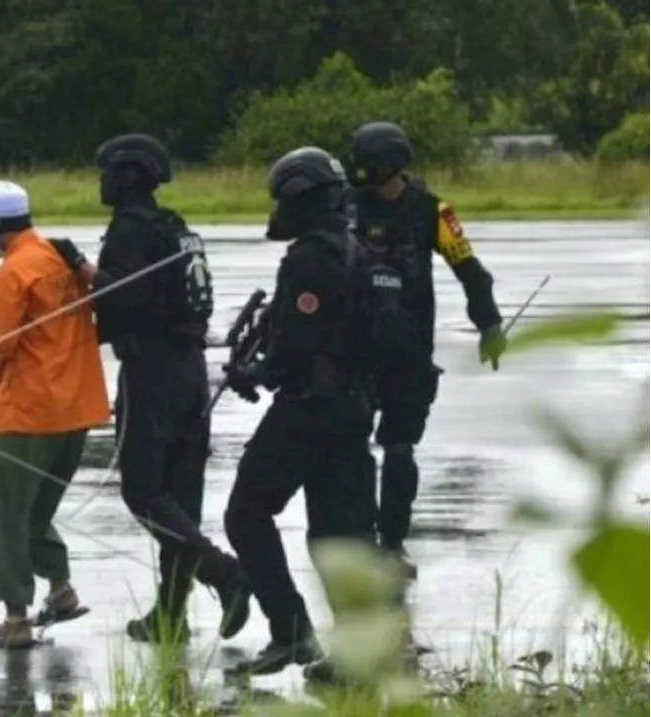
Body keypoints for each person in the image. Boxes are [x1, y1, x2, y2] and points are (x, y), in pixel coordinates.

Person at [48, 133, 251, 644]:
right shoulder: (174, 227)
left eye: (108, 172)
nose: (102, 182)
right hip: (191, 372)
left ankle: (223, 573)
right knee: (179, 498)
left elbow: (124, 294)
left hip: (152, 371)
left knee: (143, 493)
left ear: (129, 175)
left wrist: (77, 265)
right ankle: (170, 616)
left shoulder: (130, 230)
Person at [222, 146, 409, 678]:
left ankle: (291, 633)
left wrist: (252, 375)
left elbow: (292, 351)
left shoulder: (308, 259)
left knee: (246, 511)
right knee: (336, 537)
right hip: (353, 413)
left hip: (309, 410)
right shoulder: (358, 251)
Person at [344, 121, 507, 577]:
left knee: (398, 452)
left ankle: (391, 545)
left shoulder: (433, 211)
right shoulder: (345, 207)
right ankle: (356, 543)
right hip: (354, 353)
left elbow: (470, 270)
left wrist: (489, 325)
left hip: (408, 355)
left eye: (365, 160)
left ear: (389, 163)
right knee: (349, 451)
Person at [0, 180, 110, 649]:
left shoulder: (14, 271)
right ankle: (61, 592)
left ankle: (15, 622)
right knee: (36, 513)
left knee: (2, 516)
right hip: (76, 410)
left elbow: (0, 346)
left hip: (27, 413)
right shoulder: (63, 260)